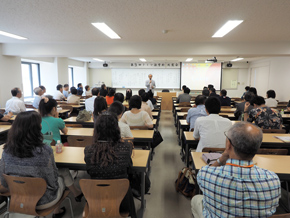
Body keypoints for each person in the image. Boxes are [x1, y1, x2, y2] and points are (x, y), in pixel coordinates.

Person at [191, 122, 281, 218]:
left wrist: (221, 159)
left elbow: (202, 175)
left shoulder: (206, 174)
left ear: (228, 145)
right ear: (257, 147)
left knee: (196, 199)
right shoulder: (273, 179)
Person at [0, 111, 69, 217]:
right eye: (40, 123)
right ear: (36, 128)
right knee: (61, 177)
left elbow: (4, 182)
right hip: (44, 201)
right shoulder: (45, 150)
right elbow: (52, 182)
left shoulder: (6, 150)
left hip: (18, 199)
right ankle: (57, 211)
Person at [84, 112, 137, 218]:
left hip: (96, 200)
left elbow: (89, 171)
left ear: (97, 130)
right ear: (116, 129)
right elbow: (129, 170)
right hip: (121, 202)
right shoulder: (126, 148)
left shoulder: (89, 150)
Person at [39, 99, 83, 204]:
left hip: (41, 151)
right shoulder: (57, 120)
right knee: (63, 169)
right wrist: (56, 118)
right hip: (56, 150)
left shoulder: (37, 120)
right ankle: (75, 192)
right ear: (54, 109)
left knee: (61, 170)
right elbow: (65, 131)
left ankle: (74, 192)